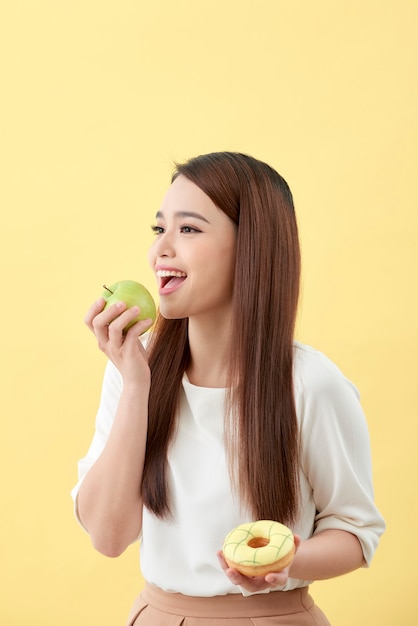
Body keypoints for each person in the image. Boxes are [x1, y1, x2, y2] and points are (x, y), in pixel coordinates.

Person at [71, 152, 385, 625]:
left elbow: (355, 531)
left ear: (251, 247)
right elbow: (108, 536)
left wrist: (286, 561)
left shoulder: (312, 384)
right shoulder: (132, 366)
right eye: (160, 230)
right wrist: (136, 384)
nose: (161, 250)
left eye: (189, 229)